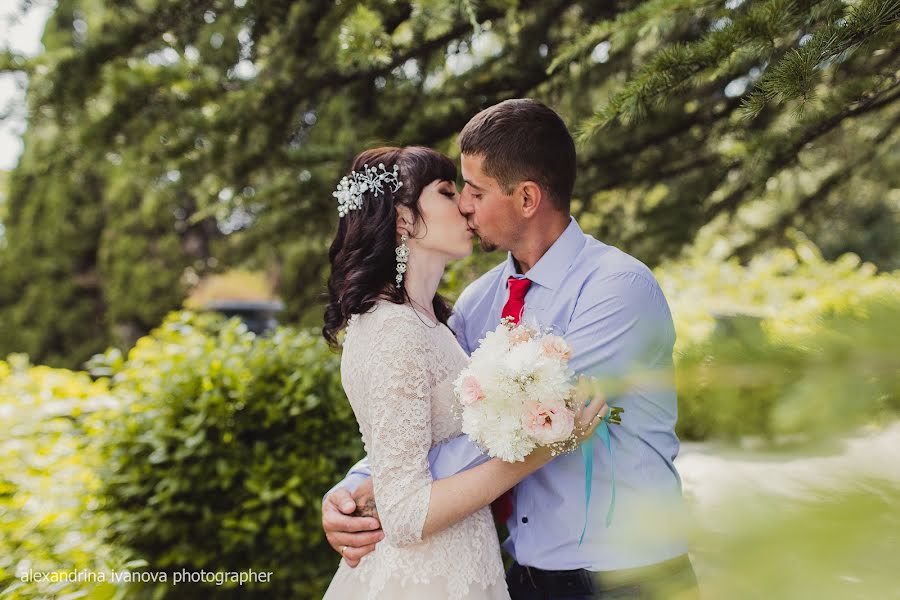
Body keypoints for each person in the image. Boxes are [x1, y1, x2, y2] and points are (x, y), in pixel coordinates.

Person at [322, 99, 700, 600]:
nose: (464, 205)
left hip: (627, 579)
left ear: (526, 198)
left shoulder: (617, 289)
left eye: (474, 191)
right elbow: (427, 411)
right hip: (520, 577)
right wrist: (354, 487)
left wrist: (388, 494)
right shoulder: (478, 303)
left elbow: (531, 421)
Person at [320, 145, 609, 600]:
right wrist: (539, 453)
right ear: (403, 219)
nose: (465, 206)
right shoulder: (394, 329)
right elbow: (405, 514)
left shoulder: (433, 323)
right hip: (424, 578)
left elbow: (418, 443)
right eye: (447, 191)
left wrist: (360, 484)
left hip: (463, 563)